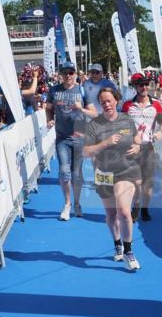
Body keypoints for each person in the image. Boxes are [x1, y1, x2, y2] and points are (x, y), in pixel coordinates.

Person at [83, 87, 142, 271]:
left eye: (109, 100)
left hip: (127, 170)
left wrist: (138, 147)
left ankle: (129, 252)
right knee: (111, 215)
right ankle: (117, 243)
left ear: (116, 100)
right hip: (104, 173)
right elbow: (86, 152)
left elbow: (137, 138)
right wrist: (106, 143)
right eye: (103, 102)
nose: (106, 104)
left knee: (124, 211)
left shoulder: (127, 119)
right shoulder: (94, 125)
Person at [46, 62, 95, 220]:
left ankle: (77, 203)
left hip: (79, 138)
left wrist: (81, 109)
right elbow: (48, 109)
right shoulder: (54, 90)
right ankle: (67, 204)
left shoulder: (82, 90)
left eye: (71, 72)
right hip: (62, 138)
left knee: (76, 173)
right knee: (64, 171)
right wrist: (49, 120)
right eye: (65, 72)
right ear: (61, 74)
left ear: (75, 74)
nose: (68, 75)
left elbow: (93, 113)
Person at [122, 73, 162, 222]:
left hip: (148, 148)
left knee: (148, 184)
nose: (145, 87)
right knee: (136, 182)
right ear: (135, 87)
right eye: (141, 85)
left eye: (147, 84)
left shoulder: (156, 105)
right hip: (132, 148)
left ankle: (145, 209)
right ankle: (136, 206)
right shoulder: (127, 105)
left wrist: (161, 132)